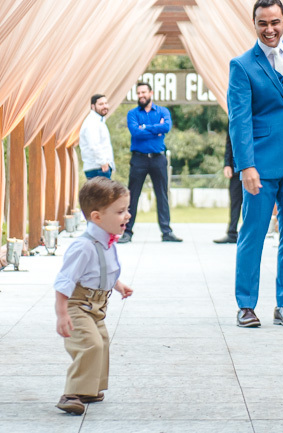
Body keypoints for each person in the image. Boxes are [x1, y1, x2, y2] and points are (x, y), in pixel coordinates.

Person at [227, 0, 283, 328]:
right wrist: (246, 166)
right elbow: (239, 120)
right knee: (252, 233)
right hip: (261, 165)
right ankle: (246, 305)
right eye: (263, 23)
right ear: (254, 24)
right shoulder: (242, 65)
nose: (270, 29)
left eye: (275, 22)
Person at [53, 177, 134, 414]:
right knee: (90, 345)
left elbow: (101, 270)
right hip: (78, 306)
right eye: (120, 211)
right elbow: (64, 282)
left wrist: (118, 285)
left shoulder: (107, 242)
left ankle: (89, 389)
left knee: (103, 343)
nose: (127, 215)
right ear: (97, 217)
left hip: (97, 307)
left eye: (127, 210)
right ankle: (70, 394)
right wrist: (62, 314)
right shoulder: (83, 246)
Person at [118, 82, 182, 243]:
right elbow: (135, 132)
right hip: (139, 158)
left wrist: (145, 127)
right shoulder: (132, 113)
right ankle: (127, 232)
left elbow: (166, 127)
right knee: (132, 196)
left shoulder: (163, 111)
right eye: (138, 93)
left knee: (162, 195)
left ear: (151, 93)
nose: (141, 96)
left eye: (144, 92)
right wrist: (156, 129)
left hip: (158, 158)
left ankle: (166, 232)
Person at [78, 94, 115, 180]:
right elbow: (94, 145)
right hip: (97, 168)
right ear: (93, 106)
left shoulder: (99, 121)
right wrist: (104, 163)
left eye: (106, 103)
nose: (105, 106)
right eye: (101, 104)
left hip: (100, 168)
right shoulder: (92, 122)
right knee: (102, 194)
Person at [214, 130, 241, 244]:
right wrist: (227, 164)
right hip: (236, 167)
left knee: (253, 203)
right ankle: (232, 233)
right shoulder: (235, 115)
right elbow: (230, 141)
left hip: (257, 166)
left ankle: (250, 234)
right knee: (235, 201)